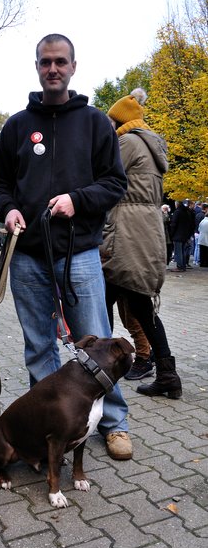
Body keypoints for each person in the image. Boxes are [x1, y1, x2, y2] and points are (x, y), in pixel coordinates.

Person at [0, 33, 132, 461]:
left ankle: (114, 424)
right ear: (37, 67)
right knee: (39, 347)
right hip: (28, 257)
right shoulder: (17, 125)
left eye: (60, 62)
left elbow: (115, 183)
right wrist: (8, 210)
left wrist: (77, 200)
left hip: (81, 255)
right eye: (45, 62)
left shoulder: (94, 123)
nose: (53, 68)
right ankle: (49, 426)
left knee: (99, 347)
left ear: (73, 66)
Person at [102, 88, 182, 399]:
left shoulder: (126, 143)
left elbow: (103, 179)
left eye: (111, 120)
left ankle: (99, 369)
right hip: (145, 230)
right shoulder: (150, 144)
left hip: (126, 232)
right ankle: (167, 374)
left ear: (119, 120)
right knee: (139, 305)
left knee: (101, 300)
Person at [169, 201, 195, 272]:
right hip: (185, 235)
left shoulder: (177, 212)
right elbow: (191, 224)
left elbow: (174, 224)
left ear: (177, 204)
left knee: (178, 251)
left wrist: (171, 234)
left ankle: (180, 266)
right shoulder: (187, 212)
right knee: (183, 251)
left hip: (178, 235)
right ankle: (183, 265)